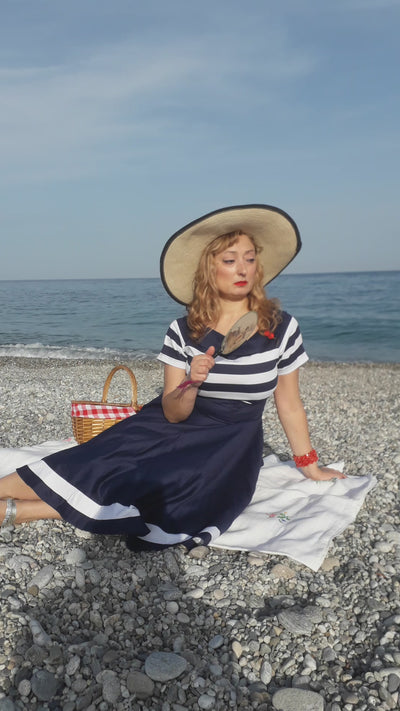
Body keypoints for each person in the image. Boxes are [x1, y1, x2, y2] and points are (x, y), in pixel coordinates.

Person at [0, 204, 345, 548]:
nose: (242, 269)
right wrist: (192, 382)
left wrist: (309, 466)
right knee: (95, 461)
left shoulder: (281, 327)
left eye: (250, 258)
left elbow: (288, 403)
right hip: (173, 423)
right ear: (210, 269)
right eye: (229, 260)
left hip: (232, 442)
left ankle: (21, 512)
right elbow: (173, 412)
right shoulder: (183, 331)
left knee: (168, 486)